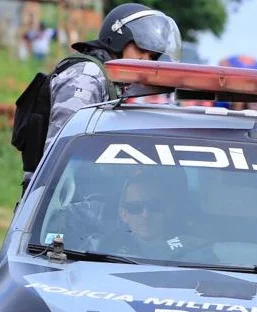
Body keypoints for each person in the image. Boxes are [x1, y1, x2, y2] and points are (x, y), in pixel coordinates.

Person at [20, 3, 181, 187]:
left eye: (152, 56)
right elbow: (64, 150)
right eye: (141, 50)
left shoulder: (111, 77)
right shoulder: (87, 76)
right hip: (56, 190)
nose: (146, 60)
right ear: (119, 40)